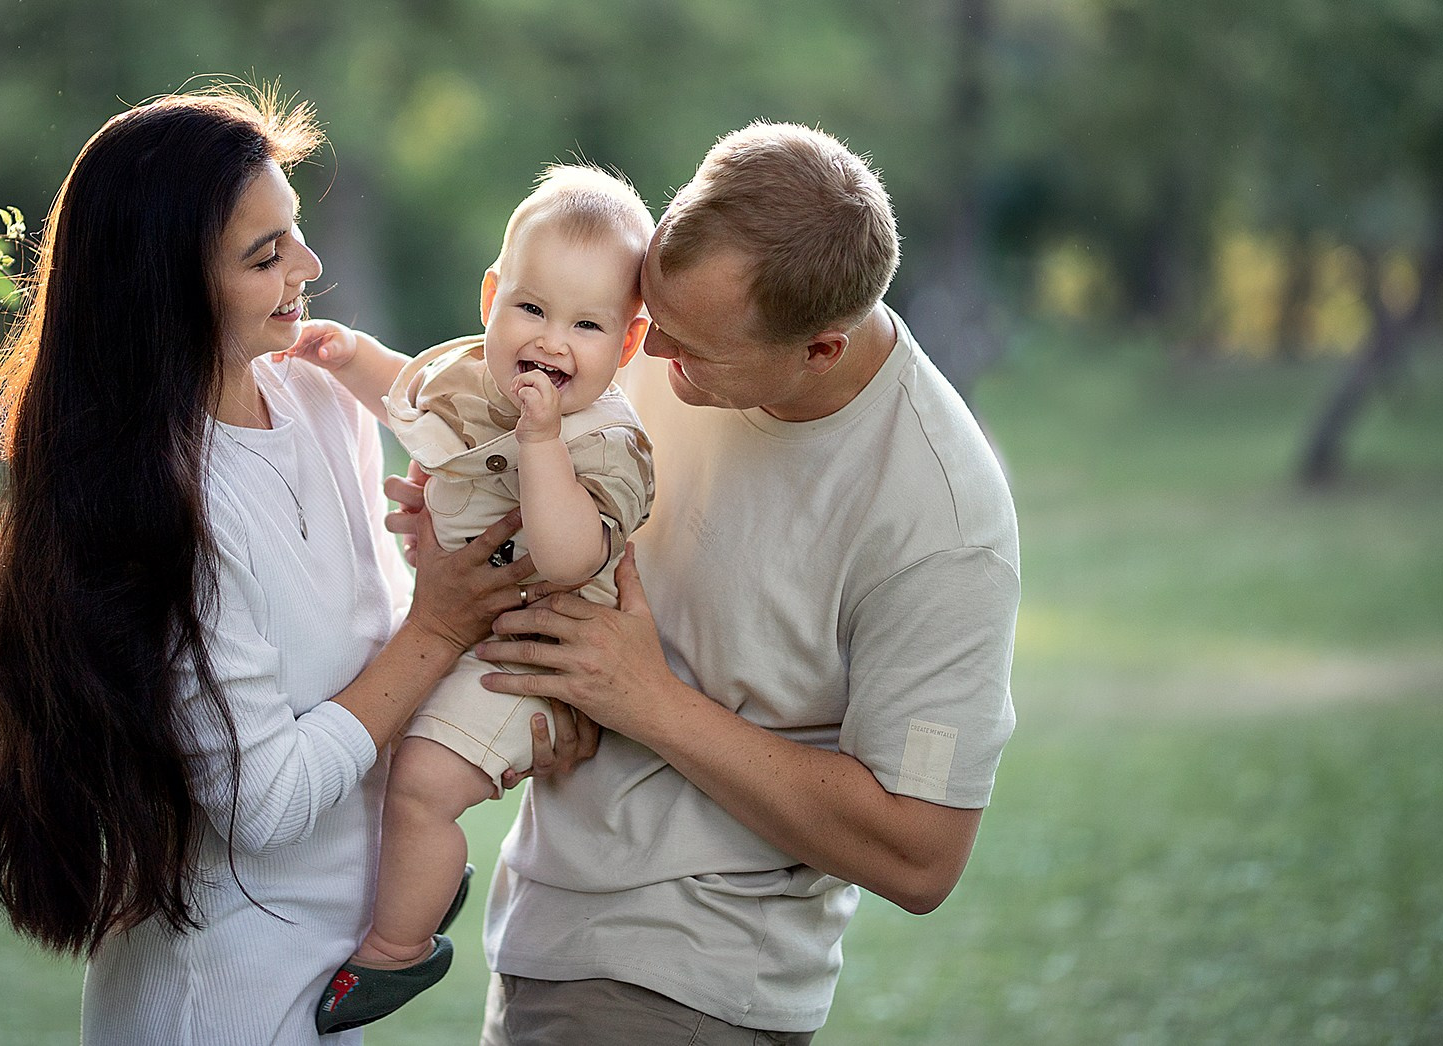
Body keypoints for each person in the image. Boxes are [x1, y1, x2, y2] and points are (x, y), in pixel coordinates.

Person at [0, 90, 566, 1045]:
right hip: (223, 998)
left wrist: (453, 614)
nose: (307, 268)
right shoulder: (161, 501)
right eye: (264, 255)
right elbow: (263, 801)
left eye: (297, 232)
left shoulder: (319, 395)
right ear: (167, 288)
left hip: (330, 975)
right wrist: (438, 626)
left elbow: (361, 661)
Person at [420, 122, 1021, 1044]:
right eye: (648, 314)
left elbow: (922, 854)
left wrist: (645, 699)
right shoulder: (667, 336)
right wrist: (464, 521)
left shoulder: (941, 523)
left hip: (688, 983)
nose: (647, 349)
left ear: (820, 350)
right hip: (544, 929)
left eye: (688, 345)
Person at [283, 166, 656, 1033]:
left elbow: (567, 556)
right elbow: (408, 399)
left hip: (534, 657)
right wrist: (351, 357)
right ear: (492, 299)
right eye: (531, 309)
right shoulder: (468, 378)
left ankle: (399, 947)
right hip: (466, 631)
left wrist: (541, 443)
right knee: (384, 754)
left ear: (629, 342)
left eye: (587, 324)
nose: (552, 342)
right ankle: (423, 878)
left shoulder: (606, 442)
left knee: (421, 783)